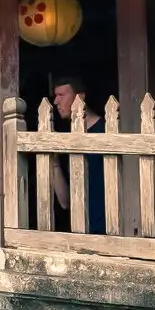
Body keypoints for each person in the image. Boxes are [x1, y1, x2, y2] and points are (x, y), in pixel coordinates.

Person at [47, 75, 108, 235]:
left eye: (61, 95)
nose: (56, 102)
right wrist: (54, 162)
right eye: (55, 96)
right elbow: (65, 201)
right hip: (80, 232)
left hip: (112, 232)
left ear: (80, 97)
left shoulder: (106, 131)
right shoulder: (70, 140)